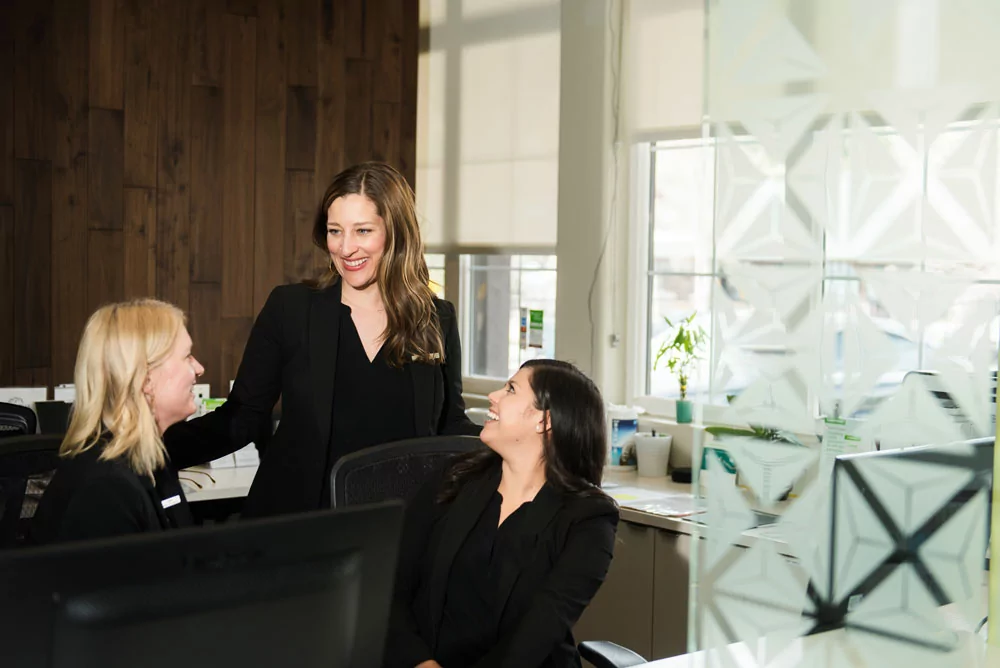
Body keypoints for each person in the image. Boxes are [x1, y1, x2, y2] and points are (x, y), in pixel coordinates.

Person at [164, 161, 478, 518]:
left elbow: (449, 426)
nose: (346, 248)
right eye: (334, 231)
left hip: (396, 528)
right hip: (301, 525)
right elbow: (243, 417)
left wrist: (528, 440)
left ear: (396, 233)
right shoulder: (292, 309)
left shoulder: (437, 317)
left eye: (362, 231)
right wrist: (146, 452)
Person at [384, 359, 619, 668]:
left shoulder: (589, 519)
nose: (494, 396)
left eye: (510, 389)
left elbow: (534, 639)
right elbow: (390, 588)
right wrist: (421, 663)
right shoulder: (455, 479)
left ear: (544, 421)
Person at [31, 300, 205, 544]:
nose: (199, 368)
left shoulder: (150, 461)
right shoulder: (106, 490)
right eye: (187, 357)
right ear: (145, 379)